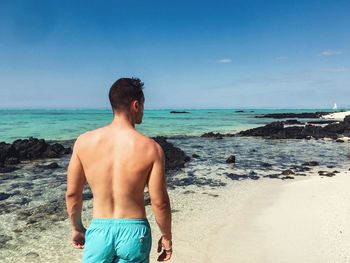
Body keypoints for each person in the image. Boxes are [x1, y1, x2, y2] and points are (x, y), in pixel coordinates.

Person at [66, 77, 172, 262]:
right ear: (136, 105)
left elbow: (73, 195)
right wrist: (167, 236)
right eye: (144, 105)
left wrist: (76, 227)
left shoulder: (84, 142)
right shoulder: (151, 148)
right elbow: (159, 202)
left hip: (98, 232)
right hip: (134, 233)